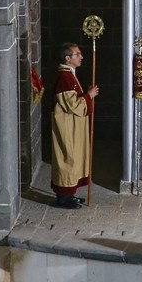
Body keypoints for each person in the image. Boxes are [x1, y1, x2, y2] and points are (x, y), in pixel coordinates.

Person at [51, 42, 99, 208]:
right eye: (77, 54)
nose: (81, 57)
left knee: (74, 157)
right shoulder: (64, 78)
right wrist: (89, 95)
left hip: (73, 124)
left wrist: (87, 94)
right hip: (67, 126)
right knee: (67, 157)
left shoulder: (70, 74)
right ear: (67, 58)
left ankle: (69, 195)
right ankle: (63, 198)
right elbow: (72, 105)